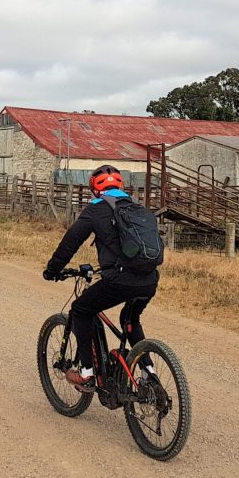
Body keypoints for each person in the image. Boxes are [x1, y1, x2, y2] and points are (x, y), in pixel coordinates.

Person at [43, 164, 161, 392]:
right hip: (149, 279)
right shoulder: (137, 208)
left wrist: (53, 269)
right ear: (121, 186)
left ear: (95, 190)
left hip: (119, 280)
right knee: (130, 320)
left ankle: (87, 372)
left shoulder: (95, 209)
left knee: (80, 309)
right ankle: (149, 373)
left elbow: (71, 242)